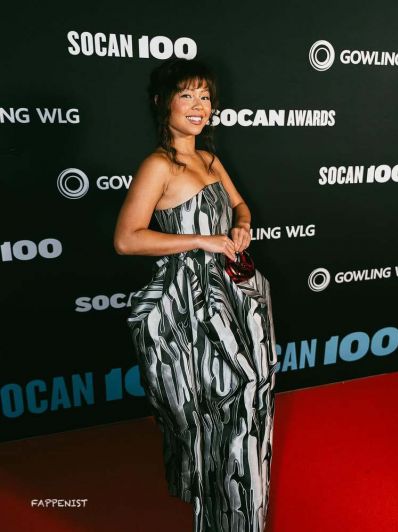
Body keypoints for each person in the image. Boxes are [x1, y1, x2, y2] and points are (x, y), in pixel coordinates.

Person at [113, 57, 278, 532]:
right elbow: (127, 239)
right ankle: (222, 509)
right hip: (187, 306)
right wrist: (201, 239)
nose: (198, 105)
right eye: (186, 95)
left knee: (253, 393)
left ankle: (242, 507)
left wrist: (241, 226)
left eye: (205, 97)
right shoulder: (157, 165)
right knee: (217, 403)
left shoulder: (209, 159)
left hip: (234, 295)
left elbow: (241, 206)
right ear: (162, 103)